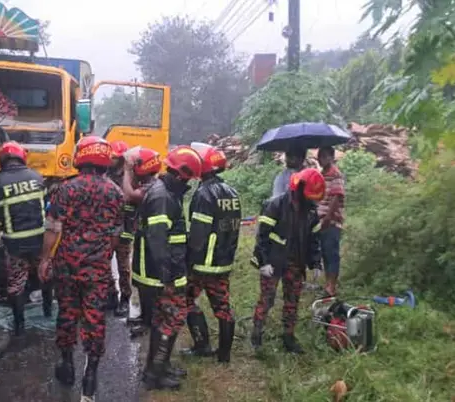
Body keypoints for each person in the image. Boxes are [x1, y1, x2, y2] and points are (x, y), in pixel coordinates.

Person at [38, 136, 124, 401]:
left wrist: (44, 259)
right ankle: (91, 375)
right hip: (97, 268)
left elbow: (52, 229)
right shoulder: (116, 193)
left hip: (67, 265)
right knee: (95, 318)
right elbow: (115, 234)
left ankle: (67, 364)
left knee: (67, 314)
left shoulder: (65, 189)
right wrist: (102, 255)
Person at [136, 146, 202, 390]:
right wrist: (168, 277)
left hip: (167, 270)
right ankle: (155, 375)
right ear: (181, 174)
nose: (188, 184)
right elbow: (157, 240)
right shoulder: (163, 197)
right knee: (171, 321)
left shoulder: (166, 193)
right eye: (188, 179)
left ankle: (159, 366)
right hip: (164, 273)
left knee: (162, 321)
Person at [251, 168, 324, 354]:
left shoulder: (311, 212)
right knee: (266, 299)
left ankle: (289, 337)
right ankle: (257, 334)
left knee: (292, 301)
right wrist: (263, 261)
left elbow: (314, 239)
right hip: (274, 261)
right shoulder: (275, 205)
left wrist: (315, 262)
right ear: (298, 189)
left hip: (296, 262)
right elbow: (262, 236)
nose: (311, 201)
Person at [0, 141, 46, 336]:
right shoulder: (37, 177)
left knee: (16, 283)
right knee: (45, 274)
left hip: (14, 243)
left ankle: (19, 326)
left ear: (2, 160)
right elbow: (44, 205)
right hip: (40, 240)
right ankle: (49, 310)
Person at [180, 143, 241, 363]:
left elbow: (197, 236)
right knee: (223, 307)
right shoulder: (232, 192)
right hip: (223, 262)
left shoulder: (203, 194)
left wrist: (187, 261)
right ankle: (224, 355)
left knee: (186, 301)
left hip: (202, 264)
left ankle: (202, 345)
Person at [122, 147, 164, 337]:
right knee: (141, 281)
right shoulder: (148, 182)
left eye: (137, 164)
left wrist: (127, 170)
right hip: (143, 238)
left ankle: (150, 322)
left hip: (150, 241)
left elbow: (129, 195)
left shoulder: (151, 186)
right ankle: (145, 317)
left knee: (148, 283)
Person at [107, 140, 133, 317]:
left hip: (125, 227)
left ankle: (125, 298)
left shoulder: (130, 176)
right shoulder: (106, 173)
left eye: (115, 158)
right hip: (108, 227)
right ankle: (111, 296)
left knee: (123, 266)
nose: (111, 160)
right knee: (105, 263)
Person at [317, 146, 345, 296]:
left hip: (331, 220)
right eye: (319, 157)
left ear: (331, 157)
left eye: (324, 156)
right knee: (325, 254)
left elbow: (336, 197)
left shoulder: (335, 174)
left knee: (331, 253)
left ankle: (331, 286)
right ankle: (328, 283)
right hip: (321, 220)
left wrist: (328, 218)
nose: (321, 160)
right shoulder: (322, 174)